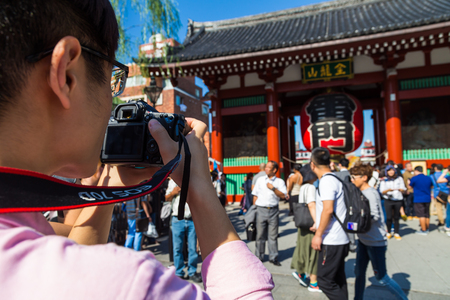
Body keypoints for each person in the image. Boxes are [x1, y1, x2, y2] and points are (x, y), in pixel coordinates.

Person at [0, 1, 274, 299]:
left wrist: (112, 187)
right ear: (66, 74)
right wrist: (198, 188)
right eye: (113, 79)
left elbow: (68, 253)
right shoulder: (129, 283)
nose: (112, 100)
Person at [350, 164, 408, 300]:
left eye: (354, 177)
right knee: (359, 273)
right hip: (364, 240)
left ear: (364, 178)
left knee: (381, 277)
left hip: (375, 242)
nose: (352, 180)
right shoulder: (360, 192)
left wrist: (353, 226)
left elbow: (374, 216)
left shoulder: (370, 193)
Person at [310, 147, 350, 300]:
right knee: (338, 279)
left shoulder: (326, 181)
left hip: (331, 239)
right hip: (341, 237)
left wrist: (318, 235)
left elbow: (328, 210)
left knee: (325, 280)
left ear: (313, 164)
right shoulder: (335, 178)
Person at [290, 164, 322, 293]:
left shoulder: (304, 186)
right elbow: (311, 205)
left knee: (303, 248)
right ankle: (313, 282)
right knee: (314, 252)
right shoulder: (311, 188)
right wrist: (317, 222)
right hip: (310, 223)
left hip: (303, 222)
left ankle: (300, 272)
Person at [165, 178, 202, 282]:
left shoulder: (193, 180)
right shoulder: (173, 181)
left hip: (191, 218)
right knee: (177, 248)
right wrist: (173, 192)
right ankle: (179, 272)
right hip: (177, 219)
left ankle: (192, 272)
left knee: (193, 248)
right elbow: (166, 198)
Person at [252, 161, 287, 266]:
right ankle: (259, 256)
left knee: (273, 235)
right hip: (261, 209)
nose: (266, 169)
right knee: (260, 235)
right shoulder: (260, 180)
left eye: (268, 167)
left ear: (274, 170)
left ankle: (273, 257)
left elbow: (283, 196)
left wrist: (273, 188)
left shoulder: (280, 182)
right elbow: (255, 195)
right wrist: (255, 208)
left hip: (273, 210)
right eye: (266, 167)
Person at [379, 165, 406, 240]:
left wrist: (401, 189)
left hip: (398, 199)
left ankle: (396, 232)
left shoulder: (399, 179)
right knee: (389, 217)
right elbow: (382, 191)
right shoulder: (384, 180)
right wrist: (389, 190)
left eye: (392, 170)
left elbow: (403, 188)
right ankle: (389, 231)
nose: (391, 172)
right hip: (388, 199)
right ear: (386, 172)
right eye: (389, 170)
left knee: (396, 217)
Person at [409, 166, 433, 235]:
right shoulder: (428, 178)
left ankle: (423, 230)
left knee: (421, 215)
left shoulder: (414, 178)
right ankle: (427, 228)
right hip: (427, 197)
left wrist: (408, 182)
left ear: (416, 171)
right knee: (427, 214)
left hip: (418, 198)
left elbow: (410, 186)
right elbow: (431, 186)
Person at [431, 164, 450, 232]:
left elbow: (437, 181)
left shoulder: (432, 176)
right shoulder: (447, 176)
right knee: (447, 209)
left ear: (435, 168)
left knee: (439, 209)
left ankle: (442, 222)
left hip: (438, 194)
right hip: (447, 193)